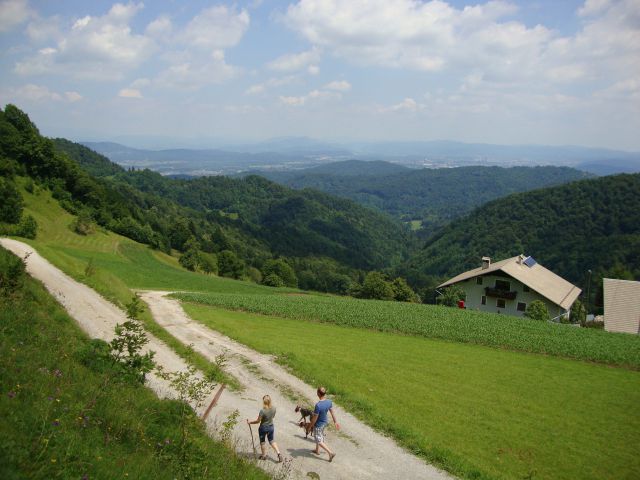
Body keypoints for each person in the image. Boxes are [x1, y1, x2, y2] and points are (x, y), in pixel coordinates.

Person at [247, 395, 283, 462]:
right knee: (272, 440)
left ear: (264, 402)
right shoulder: (274, 408)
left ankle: (264, 456)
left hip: (263, 428)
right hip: (271, 427)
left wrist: (250, 422)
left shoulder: (262, 411)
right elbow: (273, 416)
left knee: (262, 442)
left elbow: (258, 421)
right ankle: (279, 454)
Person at [310, 386, 340, 462]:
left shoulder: (318, 405)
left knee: (318, 439)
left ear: (318, 394)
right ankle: (317, 451)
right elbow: (332, 412)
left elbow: (315, 419)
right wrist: (335, 421)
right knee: (319, 436)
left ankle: (330, 453)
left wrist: (310, 426)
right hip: (324, 422)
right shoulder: (329, 402)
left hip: (318, 425)